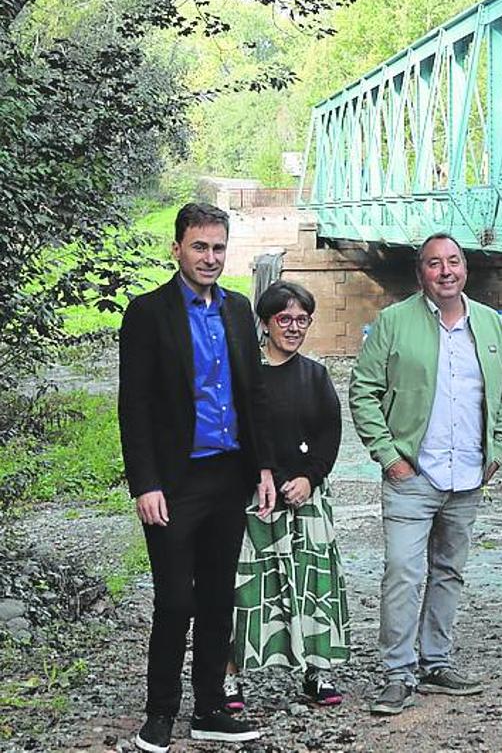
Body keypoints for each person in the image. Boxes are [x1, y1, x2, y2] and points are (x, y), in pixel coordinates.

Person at [119, 203, 274, 752]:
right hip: (174, 483)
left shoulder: (236, 309)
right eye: (200, 246)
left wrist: (263, 466)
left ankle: (209, 709)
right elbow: (133, 406)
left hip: (229, 476)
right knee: (174, 603)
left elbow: (253, 393)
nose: (210, 257)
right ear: (177, 248)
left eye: (218, 247)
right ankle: (158, 715)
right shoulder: (148, 313)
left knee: (216, 599)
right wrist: (145, 483)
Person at [349, 233, 502, 714]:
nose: (445, 271)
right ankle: (397, 672)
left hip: (469, 475)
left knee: (449, 572)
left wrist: (499, 449)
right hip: (412, 474)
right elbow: (362, 390)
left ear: (465, 268)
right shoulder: (393, 322)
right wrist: (388, 456)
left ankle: (436, 662)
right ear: (420, 272)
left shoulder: (488, 325)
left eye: (453, 262)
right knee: (403, 572)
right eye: (433, 264)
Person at [223, 280, 350, 711]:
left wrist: (310, 478)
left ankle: (317, 673)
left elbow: (329, 432)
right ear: (265, 323)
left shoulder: (316, 374)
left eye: (301, 320)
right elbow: (243, 434)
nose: (293, 328)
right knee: (248, 589)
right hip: (257, 497)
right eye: (284, 319)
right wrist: (273, 479)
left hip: (306, 497)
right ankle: (229, 680)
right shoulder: (246, 375)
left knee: (314, 584)